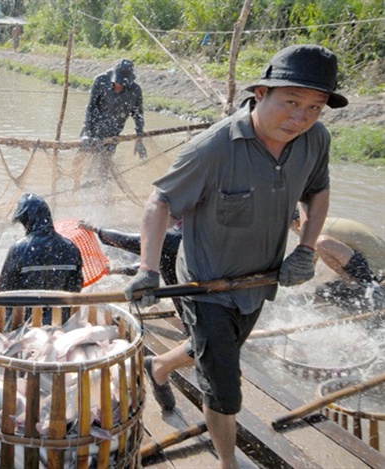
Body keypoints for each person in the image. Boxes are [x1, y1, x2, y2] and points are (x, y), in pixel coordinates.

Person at [124, 44, 348, 468]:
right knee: (224, 390)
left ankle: (159, 367)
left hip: (258, 282)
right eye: (291, 103)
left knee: (211, 350)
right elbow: (160, 202)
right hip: (206, 284)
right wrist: (148, 270)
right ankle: (228, 462)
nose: (301, 117)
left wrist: (305, 249)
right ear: (261, 93)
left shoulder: (315, 139)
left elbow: (318, 191)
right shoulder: (212, 149)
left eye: (315, 107)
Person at [0, 193, 84, 326]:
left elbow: (3, 293)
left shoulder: (18, 249)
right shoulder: (71, 248)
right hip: (63, 327)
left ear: (28, 220)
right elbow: (76, 287)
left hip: (24, 328)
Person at [290, 212, 385, 310]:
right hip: (377, 268)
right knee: (327, 283)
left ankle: (353, 283)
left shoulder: (313, 232)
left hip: (374, 273)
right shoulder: (326, 223)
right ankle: (351, 281)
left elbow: (305, 270)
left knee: (322, 243)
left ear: (297, 223)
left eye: (292, 229)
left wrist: (288, 286)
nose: (294, 232)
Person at [80, 59, 148, 178]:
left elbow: (138, 115)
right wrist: (87, 133)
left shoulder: (135, 91)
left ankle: (101, 188)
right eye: (117, 82)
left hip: (112, 133)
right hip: (93, 129)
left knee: (105, 166)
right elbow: (91, 108)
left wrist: (139, 139)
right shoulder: (100, 81)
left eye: (122, 84)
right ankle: (75, 186)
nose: (119, 86)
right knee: (80, 160)